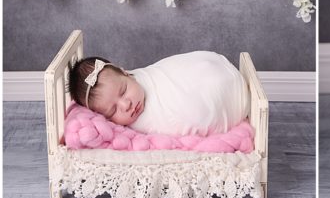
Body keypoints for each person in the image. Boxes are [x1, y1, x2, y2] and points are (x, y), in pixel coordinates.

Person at [69, 51, 249, 136]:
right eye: (112, 111)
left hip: (222, 76)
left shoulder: (145, 76)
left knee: (202, 72)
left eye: (123, 91)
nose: (126, 105)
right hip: (229, 105)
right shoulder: (136, 127)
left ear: (125, 72)